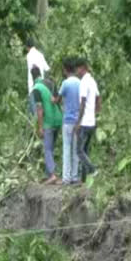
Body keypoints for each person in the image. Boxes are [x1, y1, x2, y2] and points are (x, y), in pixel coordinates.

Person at [33, 66, 62, 184]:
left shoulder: (36, 89)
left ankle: (52, 175)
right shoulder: (50, 83)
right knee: (51, 147)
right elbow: (57, 100)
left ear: (32, 77)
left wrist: (40, 127)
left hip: (48, 122)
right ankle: (49, 173)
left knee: (47, 149)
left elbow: (40, 109)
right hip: (59, 119)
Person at [55, 57, 81, 185]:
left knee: (67, 148)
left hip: (67, 121)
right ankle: (75, 177)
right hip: (78, 121)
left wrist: (53, 100)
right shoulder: (80, 82)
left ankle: (66, 178)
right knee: (76, 150)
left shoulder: (65, 83)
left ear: (65, 70)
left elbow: (58, 100)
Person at [76, 60, 100, 182]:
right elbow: (98, 97)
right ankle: (83, 179)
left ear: (83, 68)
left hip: (85, 122)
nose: (77, 71)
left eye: (78, 69)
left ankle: (92, 169)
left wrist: (78, 122)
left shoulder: (84, 82)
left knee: (79, 151)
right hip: (92, 122)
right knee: (85, 150)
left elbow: (83, 103)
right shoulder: (92, 81)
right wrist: (96, 113)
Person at [26, 38, 50, 115]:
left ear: (27, 47)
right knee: (41, 109)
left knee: (35, 112)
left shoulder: (29, 55)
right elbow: (47, 69)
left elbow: (32, 68)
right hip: (42, 86)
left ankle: (37, 126)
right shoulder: (40, 55)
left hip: (33, 87)